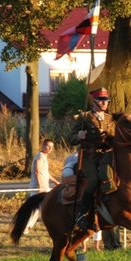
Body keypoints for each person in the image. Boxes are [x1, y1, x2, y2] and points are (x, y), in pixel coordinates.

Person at [68, 87, 115, 232]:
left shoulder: (110, 118)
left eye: (106, 100)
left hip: (106, 155)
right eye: (101, 100)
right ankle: (81, 213)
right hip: (89, 156)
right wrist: (79, 136)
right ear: (94, 101)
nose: (104, 103)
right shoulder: (84, 117)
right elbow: (71, 138)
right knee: (94, 180)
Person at [25, 139, 60, 233]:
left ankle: (28, 226)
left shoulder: (44, 157)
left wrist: (55, 181)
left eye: (51, 147)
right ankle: (26, 226)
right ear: (43, 145)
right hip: (38, 187)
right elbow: (37, 171)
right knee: (37, 208)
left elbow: (45, 173)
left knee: (41, 208)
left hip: (44, 186)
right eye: (48, 146)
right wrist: (40, 187)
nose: (49, 148)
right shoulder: (40, 157)